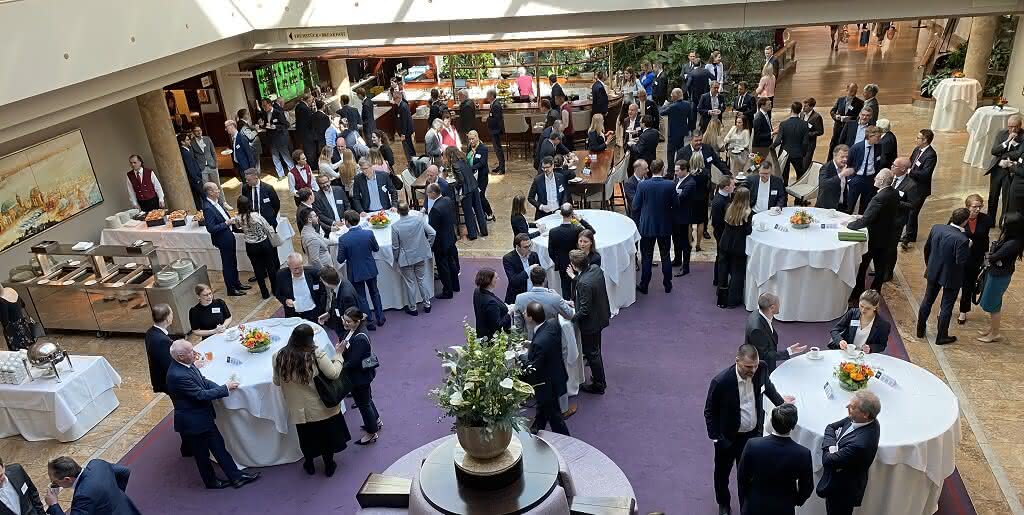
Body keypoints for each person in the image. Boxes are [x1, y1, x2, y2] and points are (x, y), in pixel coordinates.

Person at [705, 344, 793, 515]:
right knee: (722, 475)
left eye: (755, 365)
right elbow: (709, 411)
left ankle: (746, 508)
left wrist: (782, 405)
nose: (752, 370)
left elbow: (768, 387)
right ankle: (724, 505)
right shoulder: (721, 381)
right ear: (737, 361)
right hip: (727, 438)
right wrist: (717, 438)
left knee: (748, 475)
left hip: (751, 438)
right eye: (748, 366)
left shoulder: (762, 369)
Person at [165, 339, 260, 489]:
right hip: (193, 422)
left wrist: (222, 387)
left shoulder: (186, 365)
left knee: (219, 447)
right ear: (181, 356)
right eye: (191, 351)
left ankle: (236, 477)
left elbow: (203, 381)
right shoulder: (178, 375)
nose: (195, 353)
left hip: (203, 417)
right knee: (202, 455)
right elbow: (200, 394)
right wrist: (225, 388)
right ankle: (211, 482)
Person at [272, 324, 351, 477]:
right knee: (327, 439)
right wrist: (338, 355)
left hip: (298, 410)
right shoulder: (316, 354)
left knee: (306, 440)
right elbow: (334, 374)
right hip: (321, 408)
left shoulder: (278, 356)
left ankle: (309, 464)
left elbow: (276, 382)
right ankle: (329, 465)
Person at [736, 404, 813, 515]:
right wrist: (796, 501)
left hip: (754, 506)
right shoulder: (803, 454)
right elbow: (807, 487)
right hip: (784, 508)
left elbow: (742, 478)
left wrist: (746, 501)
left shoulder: (753, 445)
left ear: (772, 422)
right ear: (793, 425)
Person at [816, 391, 882, 515]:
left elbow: (828, 460)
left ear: (865, 414)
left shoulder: (860, 444)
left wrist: (830, 448)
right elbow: (831, 427)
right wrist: (833, 448)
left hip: (842, 491)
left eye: (852, 407)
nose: (847, 407)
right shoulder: (862, 419)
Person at [917, 208, 972, 345]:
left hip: (933, 271)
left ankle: (920, 330)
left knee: (927, 300)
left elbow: (927, 248)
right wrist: (968, 246)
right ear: (965, 221)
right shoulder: (962, 239)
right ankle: (941, 336)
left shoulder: (937, 228)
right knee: (946, 306)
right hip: (951, 276)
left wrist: (929, 266)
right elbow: (961, 261)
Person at [846, 168, 899, 295]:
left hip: (874, 239)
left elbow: (866, 220)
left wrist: (849, 225)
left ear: (882, 180)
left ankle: (858, 292)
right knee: (880, 268)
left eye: (877, 177)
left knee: (863, 265)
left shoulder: (879, 198)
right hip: (887, 236)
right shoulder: (894, 192)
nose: (875, 178)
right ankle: (875, 292)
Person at [524, 301, 570, 435]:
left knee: (555, 418)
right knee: (542, 409)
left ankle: (566, 442)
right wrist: (531, 345)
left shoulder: (539, 343)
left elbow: (533, 367)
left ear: (531, 318)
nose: (524, 313)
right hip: (556, 375)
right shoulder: (552, 324)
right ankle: (536, 430)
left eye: (526, 313)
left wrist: (521, 357)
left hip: (546, 385)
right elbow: (547, 346)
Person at [978, 213, 1024, 342]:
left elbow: (993, 256)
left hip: (999, 276)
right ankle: (992, 328)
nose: (1002, 223)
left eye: (1005, 222)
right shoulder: (1009, 237)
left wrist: (988, 256)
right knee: (993, 303)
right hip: (995, 272)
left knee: (993, 305)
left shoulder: (1012, 243)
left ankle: (995, 333)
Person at [570, 249, 611, 395]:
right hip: (600, 316)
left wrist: (571, 318)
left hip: (590, 323)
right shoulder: (595, 269)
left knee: (592, 353)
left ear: (574, 266)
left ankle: (599, 384)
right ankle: (599, 380)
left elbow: (584, 310)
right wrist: (575, 278)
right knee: (596, 350)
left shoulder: (583, 283)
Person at [339, 307, 382, 445]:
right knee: (367, 400)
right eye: (344, 320)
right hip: (361, 375)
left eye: (348, 321)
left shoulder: (360, 339)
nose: (345, 323)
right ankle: (376, 421)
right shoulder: (354, 330)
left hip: (359, 377)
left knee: (363, 405)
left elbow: (353, 362)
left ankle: (371, 432)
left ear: (357, 321)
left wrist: (338, 364)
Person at [337, 210, 385, 329]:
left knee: (361, 297)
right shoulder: (368, 233)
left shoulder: (343, 239)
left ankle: (369, 321)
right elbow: (376, 248)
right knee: (375, 292)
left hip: (355, 271)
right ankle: (380, 317)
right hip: (369, 268)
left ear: (347, 222)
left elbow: (340, 259)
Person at [633, 159, 676, 294]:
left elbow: (635, 206)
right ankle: (667, 284)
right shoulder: (670, 185)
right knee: (665, 256)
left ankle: (644, 285)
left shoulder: (643, 185)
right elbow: (676, 204)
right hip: (664, 225)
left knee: (646, 257)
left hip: (647, 226)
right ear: (662, 169)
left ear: (650, 170)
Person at [44, 457, 140, 515]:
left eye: (54, 481)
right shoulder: (97, 464)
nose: (54, 484)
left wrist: (53, 504)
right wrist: (114, 493)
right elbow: (124, 471)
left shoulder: (83, 496)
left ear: (67, 479)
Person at [201, 182, 248, 296]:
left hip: (228, 236)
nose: (219, 190)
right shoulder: (208, 208)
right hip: (223, 239)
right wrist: (226, 223)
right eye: (216, 189)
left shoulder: (217, 203)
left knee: (233, 261)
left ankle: (236, 283)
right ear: (210, 192)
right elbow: (211, 228)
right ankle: (231, 289)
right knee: (228, 264)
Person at [391, 202, 436, 316]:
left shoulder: (395, 226)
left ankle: (413, 308)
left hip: (406, 259)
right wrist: (427, 246)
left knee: (410, 283)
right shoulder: (419, 220)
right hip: (420, 255)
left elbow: (395, 247)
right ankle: (427, 304)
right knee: (421, 280)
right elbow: (432, 233)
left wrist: (396, 259)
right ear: (409, 209)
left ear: (398, 212)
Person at [745, 293, 806, 373]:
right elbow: (765, 355)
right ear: (772, 308)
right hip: (760, 369)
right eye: (778, 303)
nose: (780, 305)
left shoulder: (758, 313)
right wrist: (789, 351)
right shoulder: (757, 329)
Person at [958, 194, 995, 324]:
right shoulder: (960, 217)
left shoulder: (986, 219)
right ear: (967, 207)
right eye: (975, 207)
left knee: (968, 285)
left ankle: (963, 311)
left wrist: (986, 257)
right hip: (960, 257)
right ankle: (944, 309)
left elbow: (985, 239)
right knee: (953, 284)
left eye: (980, 206)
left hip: (975, 258)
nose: (978, 209)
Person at [233, 196, 279, 298]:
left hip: (251, 246)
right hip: (264, 243)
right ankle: (275, 290)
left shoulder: (238, 217)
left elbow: (237, 227)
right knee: (270, 267)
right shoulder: (256, 216)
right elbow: (266, 226)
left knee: (257, 269)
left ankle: (264, 293)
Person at [547, 204, 594, 299]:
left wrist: (558, 261)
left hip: (562, 264)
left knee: (565, 289)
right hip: (577, 262)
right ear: (572, 213)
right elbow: (591, 231)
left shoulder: (553, 231)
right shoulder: (577, 229)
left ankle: (567, 306)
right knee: (579, 287)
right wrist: (580, 220)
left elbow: (550, 251)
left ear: (561, 213)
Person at [901, 129, 937, 249]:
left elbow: (926, 173)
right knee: (908, 210)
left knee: (913, 212)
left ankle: (909, 237)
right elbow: (911, 162)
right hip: (910, 185)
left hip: (920, 188)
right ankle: (909, 234)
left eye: (918, 138)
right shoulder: (917, 149)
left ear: (925, 140)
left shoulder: (931, 155)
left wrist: (910, 171)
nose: (915, 139)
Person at [513, 266, 576, 334]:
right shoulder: (555, 298)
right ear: (545, 279)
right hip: (551, 337)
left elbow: (518, 327)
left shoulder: (520, 298)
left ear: (531, 279)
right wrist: (562, 300)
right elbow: (570, 315)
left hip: (529, 338)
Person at [717, 187, 752, 308]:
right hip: (738, 246)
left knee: (723, 270)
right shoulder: (747, 212)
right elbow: (748, 231)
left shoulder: (729, 207)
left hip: (725, 243)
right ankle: (732, 300)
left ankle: (721, 297)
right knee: (737, 273)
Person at [445, 147, 488, 240]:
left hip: (466, 191)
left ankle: (472, 234)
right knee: (479, 210)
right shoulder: (464, 160)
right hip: (474, 187)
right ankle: (484, 231)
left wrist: (454, 185)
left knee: (468, 213)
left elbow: (461, 180)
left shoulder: (455, 164)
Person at [829, 289, 891, 354]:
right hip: (847, 352)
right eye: (861, 306)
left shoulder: (883, 325)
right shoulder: (852, 313)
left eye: (868, 308)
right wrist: (840, 341)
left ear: (875, 307)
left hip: (864, 355)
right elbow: (835, 330)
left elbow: (882, 345)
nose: (863, 310)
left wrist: (871, 348)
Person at [426, 183, 460, 299]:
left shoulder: (435, 209)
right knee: (451, 262)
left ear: (433, 193)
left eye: (428, 193)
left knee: (443, 267)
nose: (427, 195)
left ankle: (447, 291)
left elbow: (431, 229)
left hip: (441, 243)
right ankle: (455, 285)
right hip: (450, 238)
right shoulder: (447, 200)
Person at [986, 114, 1022, 222]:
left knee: (1006, 199)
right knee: (993, 196)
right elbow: (994, 151)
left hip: (1010, 170)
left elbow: (1019, 154)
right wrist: (1006, 142)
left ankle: (1004, 223)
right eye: (1010, 127)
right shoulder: (1002, 133)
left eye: (1015, 127)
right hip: (997, 169)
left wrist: (1003, 155)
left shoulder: (1023, 137)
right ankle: (990, 221)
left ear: (1020, 126)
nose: (1013, 129)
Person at [275, 253, 325, 322]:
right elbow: (278, 294)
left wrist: (320, 308)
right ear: (289, 266)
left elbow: (322, 292)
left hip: (312, 312)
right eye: (294, 269)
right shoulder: (281, 275)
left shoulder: (313, 272)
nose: (297, 271)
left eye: (299, 267)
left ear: (302, 264)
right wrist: (285, 301)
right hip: (293, 314)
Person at [845, 126, 883, 214]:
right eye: (878, 137)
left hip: (870, 179)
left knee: (865, 207)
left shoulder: (879, 147)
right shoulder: (856, 147)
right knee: (849, 205)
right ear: (870, 136)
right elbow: (848, 163)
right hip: (857, 178)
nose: (879, 139)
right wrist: (850, 179)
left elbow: (878, 162)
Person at [672, 159, 700, 275]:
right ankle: (677, 259)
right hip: (675, 216)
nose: (675, 173)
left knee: (684, 242)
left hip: (684, 217)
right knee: (676, 239)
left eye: (677, 171)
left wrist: (670, 198)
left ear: (685, 170)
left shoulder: (690, 183)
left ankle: (685, 267)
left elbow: (680, 198)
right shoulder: (677, 179)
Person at [772, 102, 810, 186]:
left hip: (785, 153)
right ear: (800, 111)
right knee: (800, 174)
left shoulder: (783, 124)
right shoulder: (804, 124)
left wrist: (771, 147)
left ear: (791, 110)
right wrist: (803, 153)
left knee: (784, 175)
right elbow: (805, 142)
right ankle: (798, 192)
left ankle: (784, 192)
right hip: (798, 153)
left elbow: (778, 141)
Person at [317, 266, 361, 335]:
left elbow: (351, 320)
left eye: (321, 280)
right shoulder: (340, 283)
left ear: (327, 283)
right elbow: (336, 304)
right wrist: (328, 314)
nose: (321, 282)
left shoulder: (346, 296)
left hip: (344, 332)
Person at [144, 304, 176, 399]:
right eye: (171, 314)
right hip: (168, 381)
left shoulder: (150, 332)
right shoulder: (163, 340)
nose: (172, 315)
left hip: (159, 377)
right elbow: (169, 364)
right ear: (167, 319)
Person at [660, 89, 694, 172]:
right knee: (680, 151)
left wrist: (665, 105)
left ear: (675, 96)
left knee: (670, 153)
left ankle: (670, 171)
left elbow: (661, 112)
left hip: (672, 133)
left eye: (672, 95)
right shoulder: (687, 104)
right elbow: (691, 118)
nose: (671, 96)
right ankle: (680, 168)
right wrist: (689, 129)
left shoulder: (672, 106)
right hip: (682, 132)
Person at [827, 83, 864, 162]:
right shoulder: (840, 100)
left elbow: (859, 117)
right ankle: (830, 162)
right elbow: (832, 111)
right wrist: (835, 116)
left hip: (849, 129)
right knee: (833, 145)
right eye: (851, 90)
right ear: (847, 89)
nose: (853, 92)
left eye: (855, 91)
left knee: (844, 146)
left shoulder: (860, 103)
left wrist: (850, 118)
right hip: (838, 127)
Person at [473, 268, 512, 340]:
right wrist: (509, 313)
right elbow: (497, 326)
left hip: (482, 332)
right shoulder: (491, 302)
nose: (498, 279)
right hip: (493, 340)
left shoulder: (477, 291)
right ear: (489, 281)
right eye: (496, 278)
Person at [191, 125, 225, 206]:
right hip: (202, 168)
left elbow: (213, 151)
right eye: (196, 131)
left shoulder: (207, 139)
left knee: (217, 185)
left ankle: (223, 202)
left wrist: (216, 163)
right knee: (206, 187)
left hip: (211, 165)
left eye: (200, 130)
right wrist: (198, 168)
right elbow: (193, 157)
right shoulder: (192, 142)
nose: (199, 132)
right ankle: (212, 204)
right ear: (193, 132)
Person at [261, 97, 294, 178]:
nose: (263, 107)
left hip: (280, 138)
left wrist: (275, 126)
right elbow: (266, 125)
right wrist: (263, 125)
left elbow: (286, 125)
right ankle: (281, 175)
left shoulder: (278, 112)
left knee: (286, 156)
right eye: (262, 106)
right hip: (271, 140)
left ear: (269, 104)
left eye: (265, 105)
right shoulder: (265, 114)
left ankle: (293, 173)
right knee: (275, 158)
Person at [465, 130, 495, 221]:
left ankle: (489, 212)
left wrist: (471, 168)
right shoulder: (469, 147)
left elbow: (482, 163)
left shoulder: (483, 148)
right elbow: (467, 158)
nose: (471, 141)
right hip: (472, 176)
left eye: (472, 139)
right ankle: (481, 213)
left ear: (477, 137)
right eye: (469, 139)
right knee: (475, 196)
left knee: (481, 195)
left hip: (482, 176)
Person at [503, 233, 541, 304]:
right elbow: (514, 281)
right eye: (526, 247)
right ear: (518, 247)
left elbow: (540, 276)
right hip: (517, 297)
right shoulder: (508, 259)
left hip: (534, 297)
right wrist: (529, 270)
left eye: (530, 246)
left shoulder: (534, 255)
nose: (529, 249)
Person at [816, 144, 852, 211]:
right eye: (842, 157)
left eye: (847, 157)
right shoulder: (826, 168)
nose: (845, 159)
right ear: (834, 156)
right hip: (827, 208)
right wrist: (841, 174)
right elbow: (825, 185)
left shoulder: (845, 166)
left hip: (841, 207)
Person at [178, 133, 205, 209]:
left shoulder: (187, 150)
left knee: (198, 198)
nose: (189, 141)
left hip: (196, 178)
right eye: (187, 140)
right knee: (202, 197)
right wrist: (197, 179)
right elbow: (190, 168)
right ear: (182, 142)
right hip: (195, 180)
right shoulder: (185, 153)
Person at [484, 89, 507, 174]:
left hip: (496, 130)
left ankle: (502, 168)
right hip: (494, 129)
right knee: (497, 149)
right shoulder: (494, 104)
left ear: (491, 96)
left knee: (498, 149)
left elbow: (496, 119)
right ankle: (500, 166)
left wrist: (487, 119)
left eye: (487, 95)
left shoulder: (496, 105)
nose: (486, 97)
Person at [801, 98, 825, 172]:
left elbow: (820, 131)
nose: (803, 107)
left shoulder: (817, 117)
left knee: (805, 164)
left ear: (811, 107)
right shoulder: (802, 114)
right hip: (800, 144)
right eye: (803, 105)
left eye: (806, 106)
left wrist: (808, 134)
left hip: (809, 145)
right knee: (800, 164)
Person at [395, 93, 416, 171]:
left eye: (394, 99)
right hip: (407, 131)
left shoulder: (402, 106)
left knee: (407, 148)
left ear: (398, 98)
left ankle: (411, 163)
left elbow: (404, 121)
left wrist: (403, 134)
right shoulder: (403, 104)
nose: (394, 100)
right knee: (409, 147)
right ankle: (412, 162)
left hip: (405, 132)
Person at [623, 160, 648, 224]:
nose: (648, 170)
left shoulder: (647, 179)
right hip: (637, 216)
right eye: (645, 169)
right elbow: (634, 202)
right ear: (638, 170)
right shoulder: (629, 183)